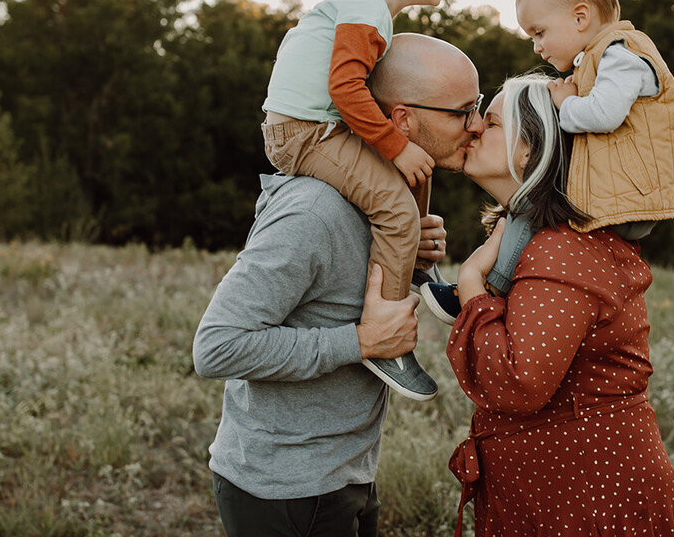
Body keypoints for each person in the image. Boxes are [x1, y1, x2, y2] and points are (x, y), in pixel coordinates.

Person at [194, 34, 485, 537]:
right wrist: (362, 343)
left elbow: (347, 293)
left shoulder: (384, 202)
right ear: (401, 121)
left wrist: (417, 267)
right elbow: (217, 347)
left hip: (345, 474)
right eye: (463, 111)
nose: (477, 125)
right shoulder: (314, 211)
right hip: (283, 492)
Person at [444, 72, 674, 536]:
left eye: (492, 123)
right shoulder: (539, 242)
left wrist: (469, 282)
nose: (474, 127)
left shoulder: (562, 249)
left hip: (588, 498)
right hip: (563, 490)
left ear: (529, 149)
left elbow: (518, 383)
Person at [421, 0, 674, 323]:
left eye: (539, 33)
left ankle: (487, 291)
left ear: (581, 17)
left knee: (533, 211)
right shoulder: (598, 61)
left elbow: (519, 378)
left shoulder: (620, 54)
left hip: (636, 190)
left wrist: (566, 105)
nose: (536, 46)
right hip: (622, 195)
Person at [261, 0, 459, 400]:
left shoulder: (365, 8)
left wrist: (404, 151)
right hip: (304, 134)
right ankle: (387, 334)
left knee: (419, 165)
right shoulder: (367, 8)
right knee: (395, 204)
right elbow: (345, 89)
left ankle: (416, 265)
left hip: (315, 126)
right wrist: (394, 147)